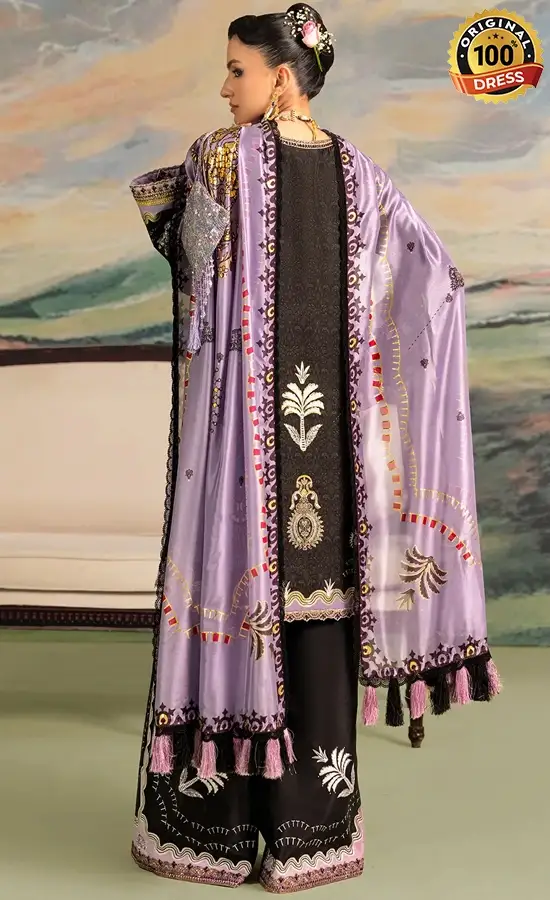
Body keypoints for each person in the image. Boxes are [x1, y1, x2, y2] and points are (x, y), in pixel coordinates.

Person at [129, 4, 500, 891]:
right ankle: (314, 836)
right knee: (321, 622)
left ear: (282, 76)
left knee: (239, 601)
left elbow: (191, 269)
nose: (225, 88)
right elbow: (434, 279)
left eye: (237, 70)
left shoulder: (218, 158)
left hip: (243, 468)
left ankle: (213, 829)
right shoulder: (362, 175)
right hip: (334, 465)